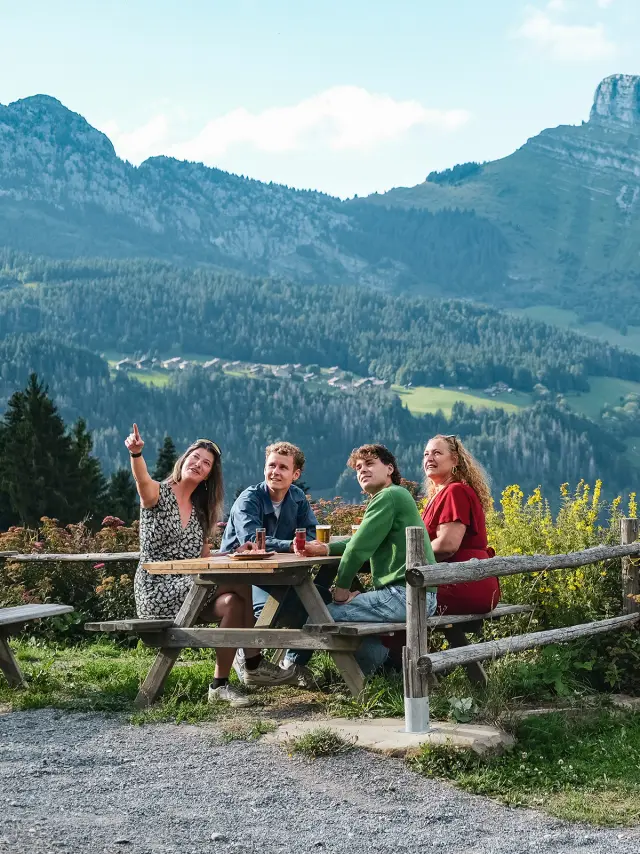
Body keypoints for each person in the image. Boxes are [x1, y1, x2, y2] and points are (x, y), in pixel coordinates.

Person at [126, 424, 286, 707]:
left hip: (190, 589)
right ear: (184, 459)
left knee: (233, 604)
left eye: (206, 463)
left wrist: (237, 553)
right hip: (157, 590)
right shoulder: (158, 495)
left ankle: (219, 686)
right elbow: (142, 482)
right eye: (195, 457)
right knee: (240, 582)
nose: (198, 464)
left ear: (210, 474)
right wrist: (136, 454)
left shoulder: (201, 511)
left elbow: (204, 559)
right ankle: (253, 661)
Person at [297, 444, 437, 675]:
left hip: (405, 595)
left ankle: (379, 668)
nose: (362, 471)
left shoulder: (389, 496)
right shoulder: (395, 496)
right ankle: (386, 667)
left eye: (370, 464)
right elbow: (358, 542)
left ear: (390, 468)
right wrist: (325, 549)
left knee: (319, 616)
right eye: (358, 468)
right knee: (326, 615)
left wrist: (341, 590)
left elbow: (357, 550)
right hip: (417, 594)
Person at [221, 441, 324, 688]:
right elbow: (252, 541)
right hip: (242, 579)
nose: (275, 472)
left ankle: (292, 664)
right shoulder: (249, 499)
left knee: (320, 599)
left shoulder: (297, 498)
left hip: (279, 575)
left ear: (295, 474)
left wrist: (305, 545)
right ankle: (245, 655)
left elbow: (310, 533)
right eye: (271, 465)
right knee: (279, 608)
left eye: (283, 467)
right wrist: (292, 545)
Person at [422, 434, 500, 614]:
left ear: (455, 460)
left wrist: (407, 557)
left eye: (437, 453)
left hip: (464, 583)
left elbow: (446, 546)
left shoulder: (455, 491)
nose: (429, 459)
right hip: (460, 579)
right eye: (426, 454)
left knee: (395, 601)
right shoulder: (441, 494)